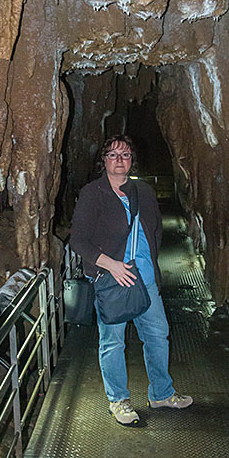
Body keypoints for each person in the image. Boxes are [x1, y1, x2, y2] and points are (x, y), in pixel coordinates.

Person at [70, 134, 193, 425]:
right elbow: (78, 241)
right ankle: (118, 400)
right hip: (112, 279)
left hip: (144, 277)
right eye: (113, 155)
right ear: (104, 161)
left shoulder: (144, 192)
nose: (119, 160)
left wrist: (148, 262)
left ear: (131, 160)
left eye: (124, 155)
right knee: (112, 341)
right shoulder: (93, 193)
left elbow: (155, 231)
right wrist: (111, 265)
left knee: (157, 335)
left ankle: (161, 393)